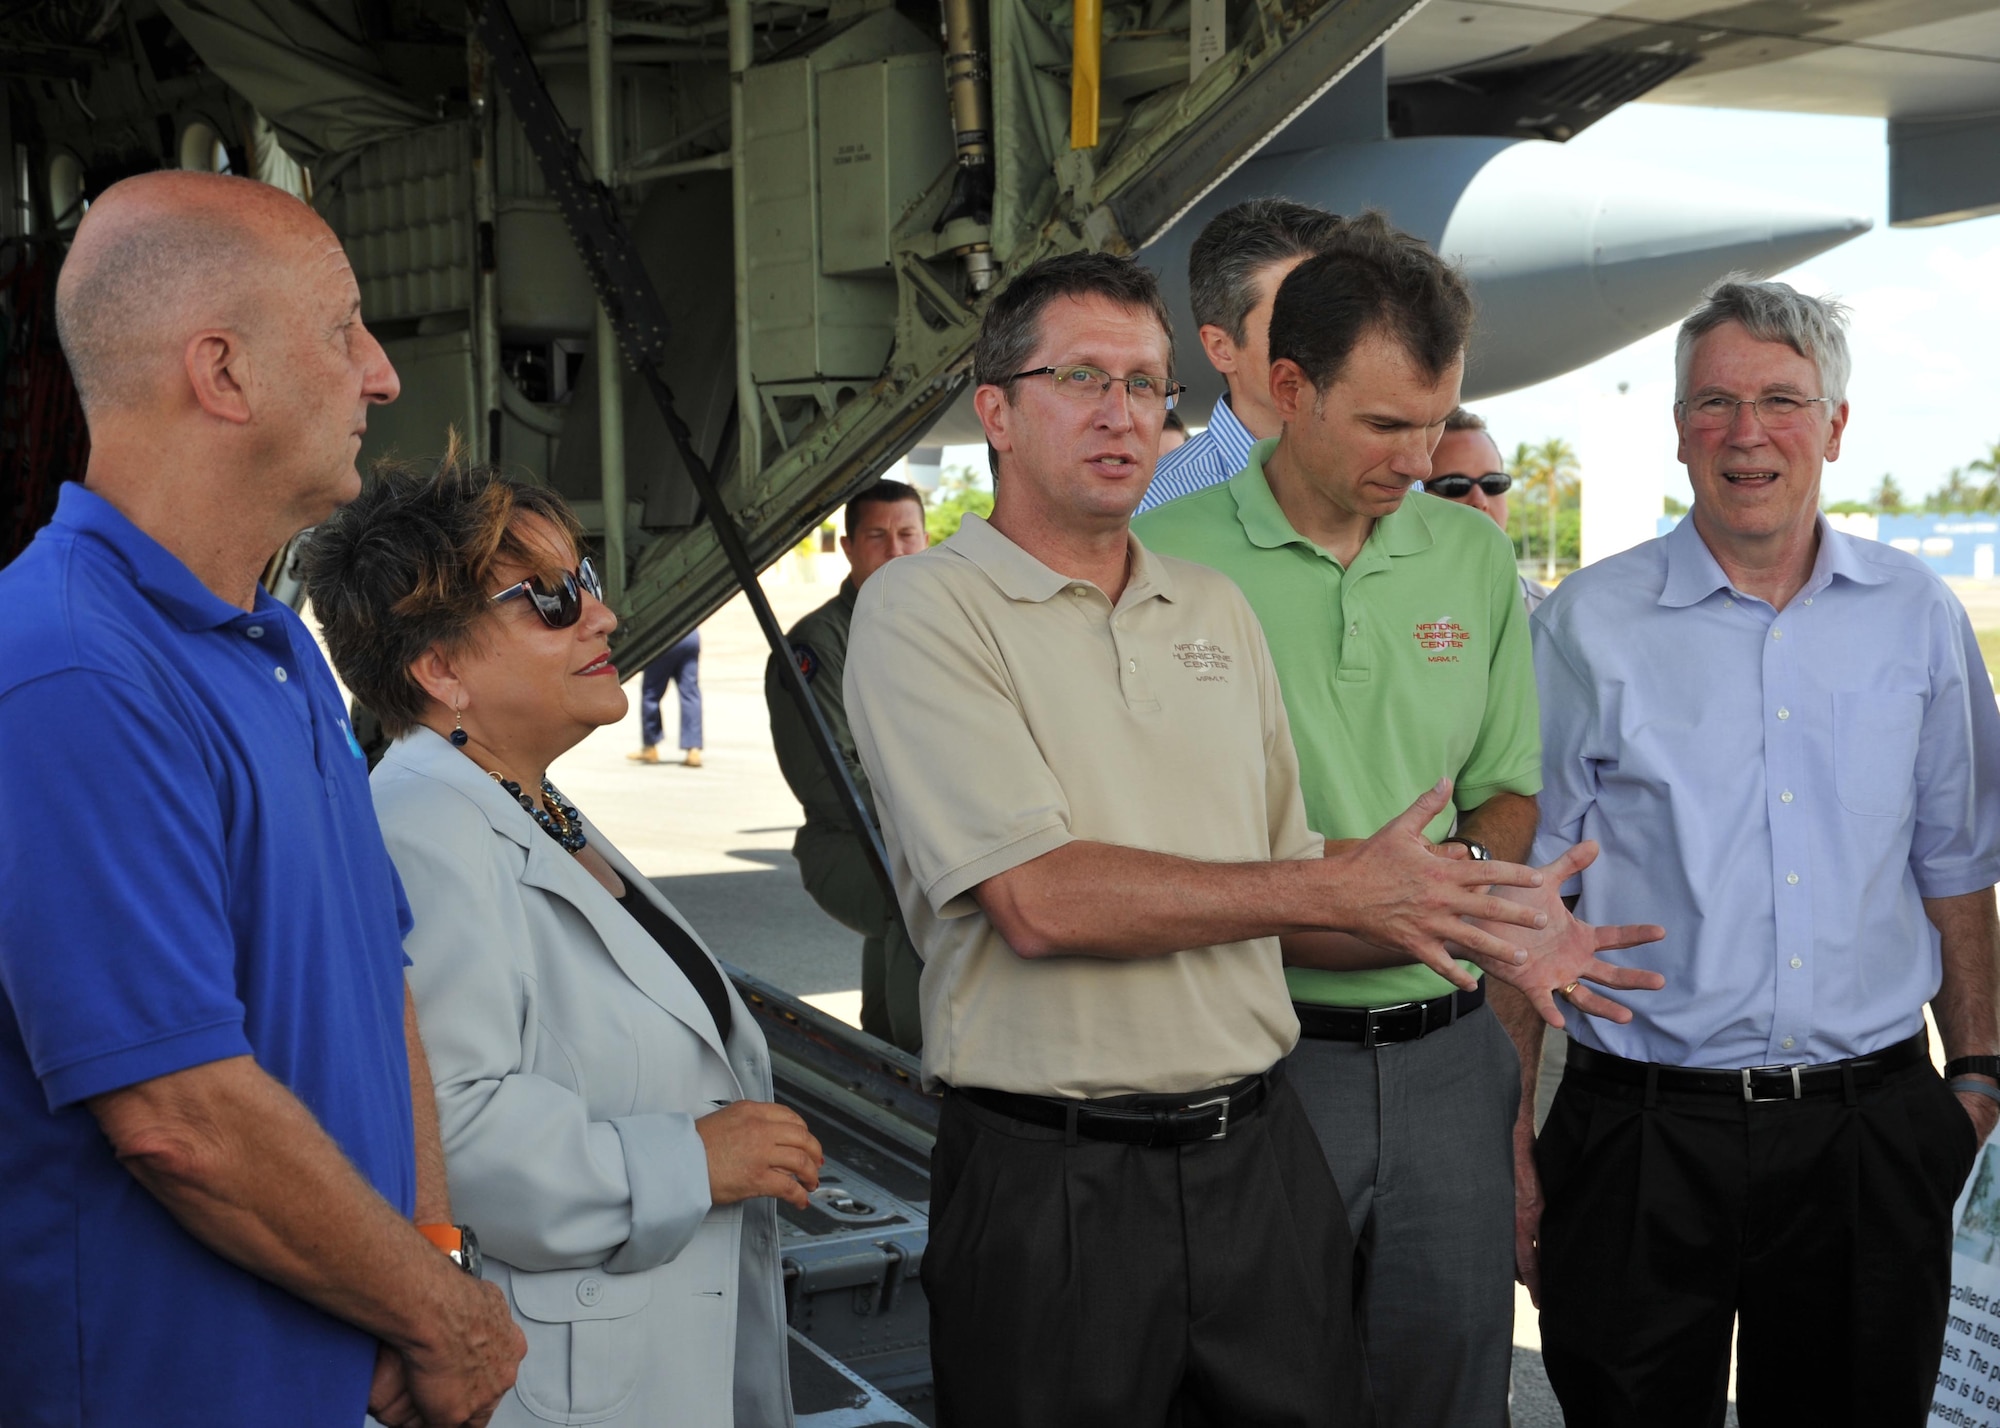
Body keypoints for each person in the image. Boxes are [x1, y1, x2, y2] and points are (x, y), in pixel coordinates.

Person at [842, 249, 1652, 1428]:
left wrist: (1471, 918)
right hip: (1058, 1170)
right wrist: (1356, 893)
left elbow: (1314, 885)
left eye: (1145, 385)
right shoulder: (925, 609)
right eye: (1081, 378)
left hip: (1251, 1158)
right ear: (996, 412)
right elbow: (1039, 900)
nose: (1121, 414)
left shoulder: (1204, 607)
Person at [0, 171, 523, 1428]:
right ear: (222, 374)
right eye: (342, 328)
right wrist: (440, 1318)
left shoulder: (272, 645)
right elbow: (180, 1118)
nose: (382, 374)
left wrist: (428, 1258)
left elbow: (371, 976)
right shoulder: (65, 666)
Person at [1136, 213, 1662, 1428]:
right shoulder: (1165, 558)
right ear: (1284, 388)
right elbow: (1157, 837)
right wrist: (1397, 896)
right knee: (1254, 1396)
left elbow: (1506, 791)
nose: (1420, 457)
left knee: (1448, 1396)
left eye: (1438, 422)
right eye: (1384, 425)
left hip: (1446, 1067)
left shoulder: (1468, 562)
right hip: (1254, 1064)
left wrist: (1438, 884)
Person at [1530, 276, 2000, 1427]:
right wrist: (1509, 1145)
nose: (1746, 436)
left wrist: (1977, 1077)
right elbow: (1518, 897)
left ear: (1834, 427)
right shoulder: (1582, 626)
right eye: (1713, 404)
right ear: (1679, 427)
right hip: (1639, 1135)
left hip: (1864, 1135)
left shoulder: (1916, 614)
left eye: (1781, 401)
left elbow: (1954, 864)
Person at [304, 453, 820, 1428]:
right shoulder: (425, 829)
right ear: (439, 668)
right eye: (546, 598)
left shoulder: (530, 803)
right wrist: (689, 1160)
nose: (603, 614)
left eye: (583, 581)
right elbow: (446, 1127)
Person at [764, 479, 929, 1051]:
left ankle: (882, 1044)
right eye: (877, 537)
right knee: (928, 892)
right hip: (845, 841)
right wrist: (941, 820)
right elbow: (829, 782)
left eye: (907, 534)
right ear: (848, 547)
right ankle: (922, 1062)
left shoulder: (940, 629)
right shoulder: (818, 645)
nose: (895, 550)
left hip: (913, 831)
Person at [1137, 197, 1343, 512]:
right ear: (1221, 348)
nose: (1330, 340)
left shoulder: (1392, 479)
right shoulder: (1154, 508)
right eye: (1293, 319)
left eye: (1341, 316)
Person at [1431, 407, 1547, 613]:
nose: (1479, 500)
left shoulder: (1553, 614)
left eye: (1493, 483)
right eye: (1455, 485)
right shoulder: (1379, 609)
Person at [628, 630, 703, 766]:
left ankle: (650, 746)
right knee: (690, 694)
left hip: (663, 638)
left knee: (651, 693)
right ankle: (693, 749)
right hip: (690, 636)